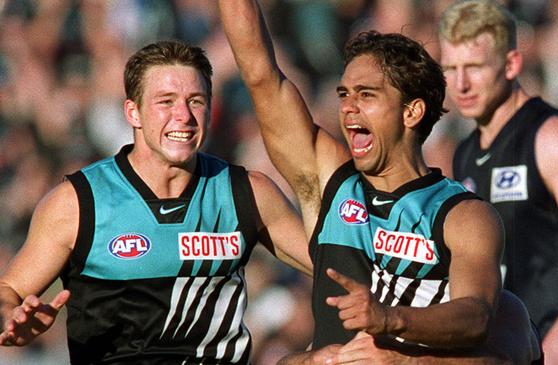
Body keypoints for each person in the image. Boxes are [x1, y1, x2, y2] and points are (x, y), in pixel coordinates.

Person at [218, 1, 541, 363]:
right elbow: (261, 73)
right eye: (344, 94)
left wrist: (389, 321)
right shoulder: (331, 183)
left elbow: (475, 317)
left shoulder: (462, 215)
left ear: (411, 111)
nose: (348, 107)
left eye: (366, 94)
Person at [0, 40, 311, 364]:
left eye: (196, 101)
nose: (184, 116)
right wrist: (13, 317)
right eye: (166, 101)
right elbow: (8, 289)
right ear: (132, 111)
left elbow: (338, 267)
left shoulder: (245, 193)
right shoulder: (78, 203)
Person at [439, 1, 558, 364]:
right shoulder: (465, 153)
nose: (460, 83)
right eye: (451, 68)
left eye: (475, 67)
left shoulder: (554, 136)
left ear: (511, 64)